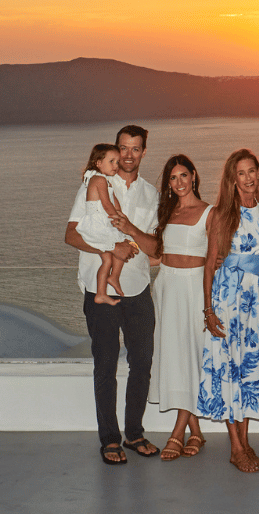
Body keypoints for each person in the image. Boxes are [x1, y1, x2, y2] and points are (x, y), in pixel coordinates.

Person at [65, 125, 159, 465]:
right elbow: (71, 235)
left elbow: (155, 248)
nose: (128, 155)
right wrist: (110, 248)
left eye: (135, 148)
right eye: (123, 148)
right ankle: (109, 439)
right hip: (99, 288)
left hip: (138, 287)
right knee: (105, 365)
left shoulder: (151, 194)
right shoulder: (96, 182)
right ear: (116, 150)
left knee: (142, 363)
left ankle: (134, 433)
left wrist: (132, 234)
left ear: (144, 151)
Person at [200, 149, 259, 473]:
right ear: (232, 179)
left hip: (256, 301)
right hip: (228, 299)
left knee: (249, 369)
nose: (248, 178)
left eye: (252, 171)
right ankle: (235, 447)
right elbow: (209, 265)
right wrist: (209, 310)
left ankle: (245, 441)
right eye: (241, 173)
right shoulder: (221, 214)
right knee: (229, 368)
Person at [148, 154, 210, 461]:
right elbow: (156, 254)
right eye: (173, 178)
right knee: (175, 356)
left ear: (194, 175)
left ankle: (177, 433)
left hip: (194, 288)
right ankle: (195, 431)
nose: (179, 182)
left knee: (191, 354)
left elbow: (220, 254)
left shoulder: (210, 212)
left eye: (183, 175)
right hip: (167, 285)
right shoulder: (165, 212)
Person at [75, 143, 130, 306]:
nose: (116, 165)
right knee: (123, 243)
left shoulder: (104, 181)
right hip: (99, 223)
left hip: (100, 222)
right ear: (98, 163)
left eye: (117, 162)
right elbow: (106, 204)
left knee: (107, 260)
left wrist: (120, 213)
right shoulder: (99, 180)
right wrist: (116, 218)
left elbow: (114, 201)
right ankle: (114, 277)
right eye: (111, 161)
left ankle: (101, 293)